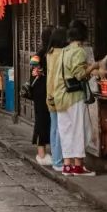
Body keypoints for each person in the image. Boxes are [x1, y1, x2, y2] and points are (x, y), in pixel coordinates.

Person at [53, 20, 99, 176]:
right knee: (80, 129)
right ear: (83, 35)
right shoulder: (79, 51)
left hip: (60, 96)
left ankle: (67, 165)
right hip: (74, 97)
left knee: (66, 130)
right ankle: (78, 166)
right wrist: (94, 66)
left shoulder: (64, 51)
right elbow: (80, 74)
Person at [44, 25, 68, 172]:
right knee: (60, 128)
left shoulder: (50, 52)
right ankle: (59, 161)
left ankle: (55, 158)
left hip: (50, 93)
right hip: (59, 93)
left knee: (54, 127)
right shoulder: (62, 54)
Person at [30, 26, 54, 165]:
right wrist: (38, 71)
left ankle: (44, 152)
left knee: (46, 120)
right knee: (42, 120)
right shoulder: (41, 53)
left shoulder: (45, 52)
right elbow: (33, 67)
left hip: (45, 89)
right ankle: (41, 153)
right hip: (42, 90)